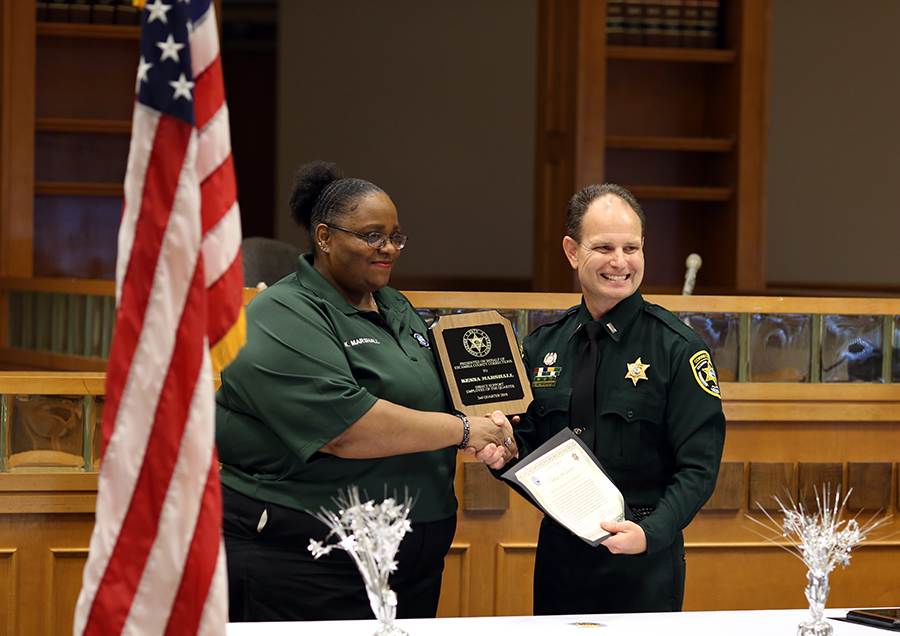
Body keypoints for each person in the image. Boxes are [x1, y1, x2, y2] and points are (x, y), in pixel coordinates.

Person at [215, 161, 517, 622]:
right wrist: (464, 430)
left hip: (410, 563)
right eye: (373, 235)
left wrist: (494, 426)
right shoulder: (279, 314)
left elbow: (436, 399)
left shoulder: (396, 305)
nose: (389, 248)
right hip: (305, 560)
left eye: (396, 237)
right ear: (324, 237)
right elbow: (347, 428)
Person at [486, 183, 725, 614]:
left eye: (631, 248)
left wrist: (651, 532)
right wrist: (504, 455)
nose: (620, 262)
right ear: (572, 251)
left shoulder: (678, 348)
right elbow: (530, 449)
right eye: (604, 248)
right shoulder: (542, 346)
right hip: (560, 557)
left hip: (643, 558)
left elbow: (699, 467)